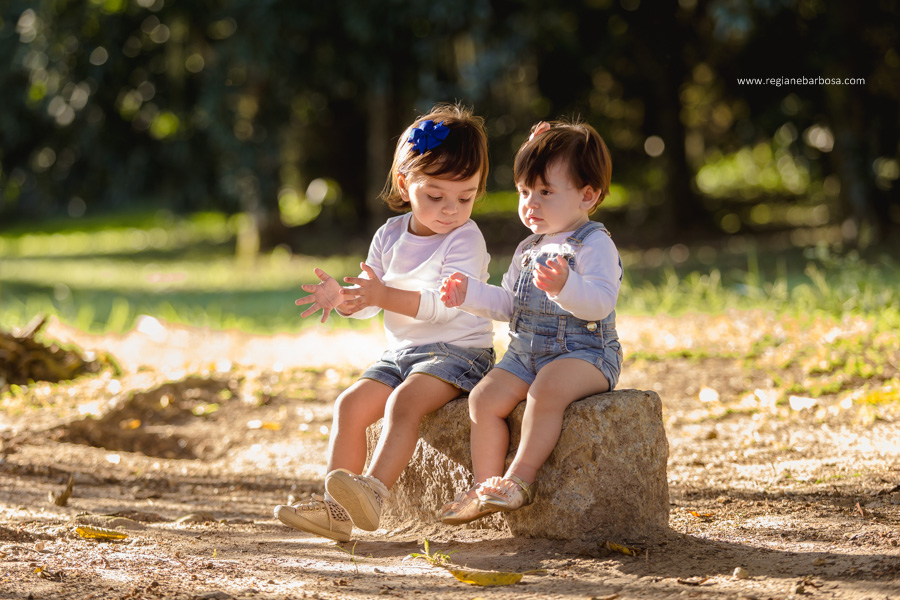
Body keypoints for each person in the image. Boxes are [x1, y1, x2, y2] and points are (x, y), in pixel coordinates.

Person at [273, 103, 495, 541]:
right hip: (402, 354)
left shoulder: (466, 239)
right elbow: (374, 299)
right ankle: (336, 511)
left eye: (465, 197)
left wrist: (383, 294)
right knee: (350, 407)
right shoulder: (390, 235)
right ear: (404, 184)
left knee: (404, 403)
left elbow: (446, 306)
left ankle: (372, 492)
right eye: (435, 196)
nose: (451, 209)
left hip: (459, 354)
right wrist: (346, 299)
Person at [438, 119, 623, 524]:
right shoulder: (528, 248)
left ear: (587, 195)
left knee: (546, 391)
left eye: (545, 192)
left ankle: (520, 480)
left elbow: (601, 303)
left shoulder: (595, 244)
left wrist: (565, 287)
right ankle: (486, 486)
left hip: (584, 353)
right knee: (483, 399)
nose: (530, 203)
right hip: (526, 353)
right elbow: (510, 305)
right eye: (524, 191)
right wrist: (469, 294)